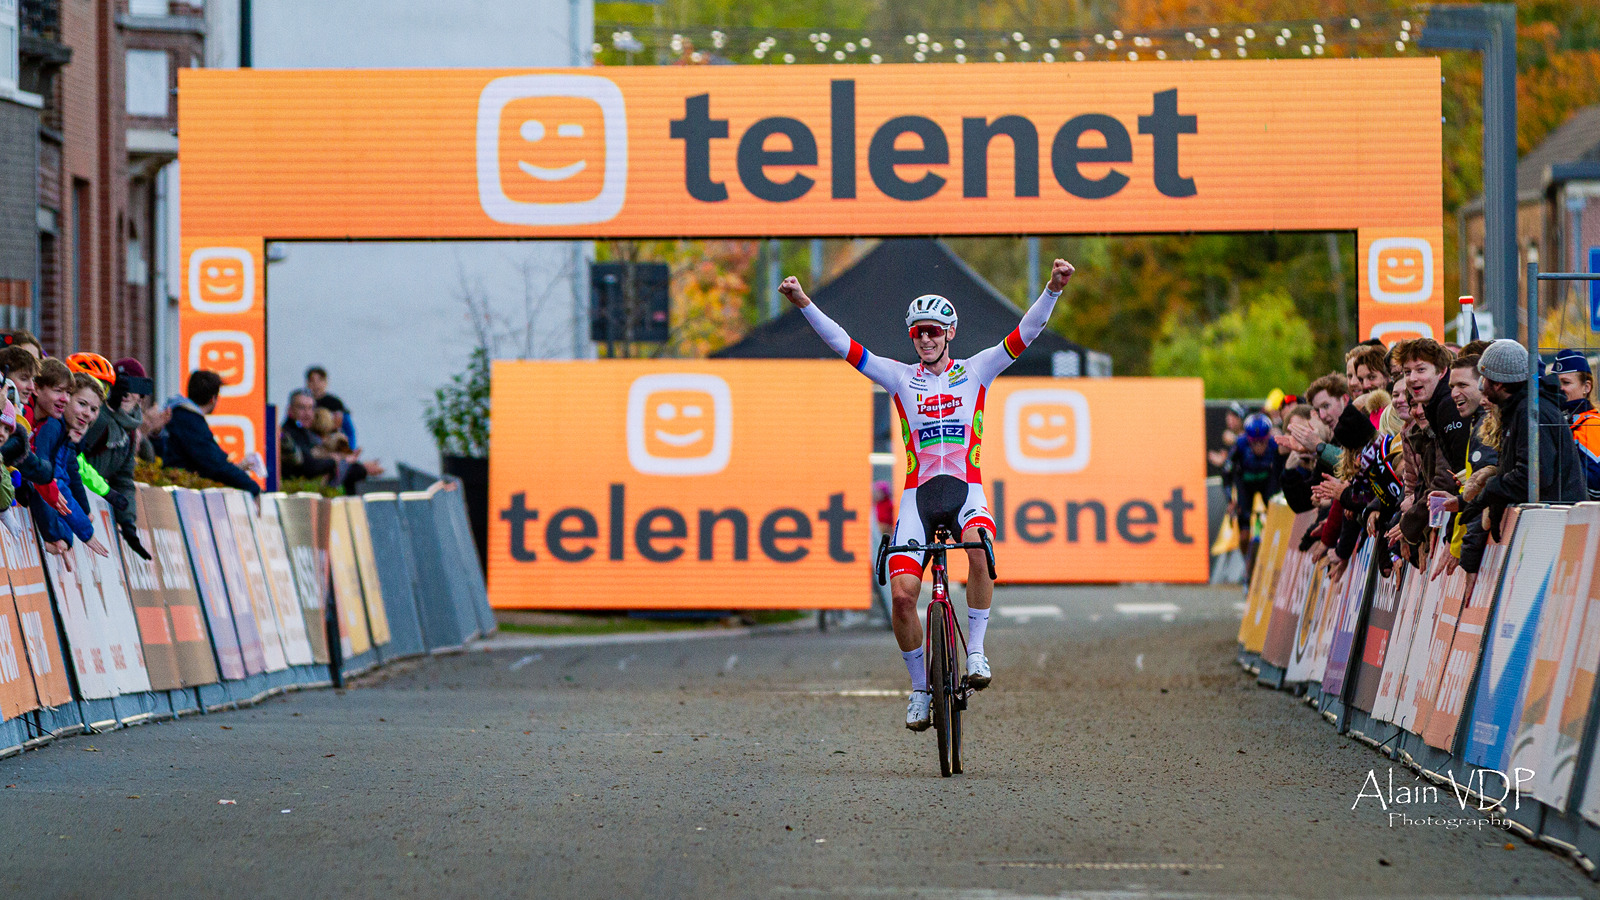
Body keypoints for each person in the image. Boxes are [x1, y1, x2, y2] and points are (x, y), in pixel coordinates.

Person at [780, 256, 1076, 731]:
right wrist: (803, 303)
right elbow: (846, 347)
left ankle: (976, 652)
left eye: (935, 331)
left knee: (978, 551)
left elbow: (1027, 332)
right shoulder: (899, 377)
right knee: (901, 597)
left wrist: (1054, 288)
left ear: (951, 333)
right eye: (919, 331)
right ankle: (920, 689)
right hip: (917, 497)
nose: (926, 338)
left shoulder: (978, 370)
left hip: (966, 490)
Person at [1463, 339, 1586, 539]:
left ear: (1498, 382)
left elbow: (1533, 476)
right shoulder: (1517, 410)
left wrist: (1490, 491)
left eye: (1484, 378)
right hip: (1548, 528)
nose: (1481, 386)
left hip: (1557, 532)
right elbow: (1514, 470)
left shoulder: (1531, 413)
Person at [81, 354, 154, 559]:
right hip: (77, 498)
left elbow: (123, 479)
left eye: (131, 388)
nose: (126, 394)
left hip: (93, 504)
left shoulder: (130, 433)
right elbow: (79, 447)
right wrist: (109, 409)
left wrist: (128, 523)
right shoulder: (93, 413)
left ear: (141, 396)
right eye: (120, 387)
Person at [161, 370, 261, 496]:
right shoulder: (190, 421)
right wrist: (253, 487)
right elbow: (214, 464)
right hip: (180, 495)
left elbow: (205, 462)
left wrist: (237, 468)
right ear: (213, 399)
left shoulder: (177, 414)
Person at [1225, 412, 1283, 578]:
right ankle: (1247, 562)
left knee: (1274, 512)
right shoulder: (1240, 444)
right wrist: (1230, 499)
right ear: (1248, 440)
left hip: (1267, 482)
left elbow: (1282, 472)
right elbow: (1226, 473)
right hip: (1245, 484)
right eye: (1254, 443)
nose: (1259, 447)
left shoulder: (1274, 445)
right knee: (1243, 535)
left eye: (1262, 442)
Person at [281, 388, 370, 494]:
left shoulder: (306, 433)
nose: (307, 413)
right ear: (290, 410)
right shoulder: (288, 434)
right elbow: (310, 466)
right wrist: (336, 460)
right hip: (298, 495)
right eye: (302, 408)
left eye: (310, 408)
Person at [1550, 349, 1600, 500]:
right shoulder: (1564, 419)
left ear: (1586, 387)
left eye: (1566, 382)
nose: (1560, 388)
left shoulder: (1590, 424)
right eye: (1557, 382)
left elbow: (1596, 484)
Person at [305, 365, 357, 449]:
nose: (316, 385)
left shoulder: (335, 404)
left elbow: (349, 430)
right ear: (307, 383)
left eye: (319, 381)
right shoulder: (303, 403)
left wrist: (350, 449)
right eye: (312, 381)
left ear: (325, 382)